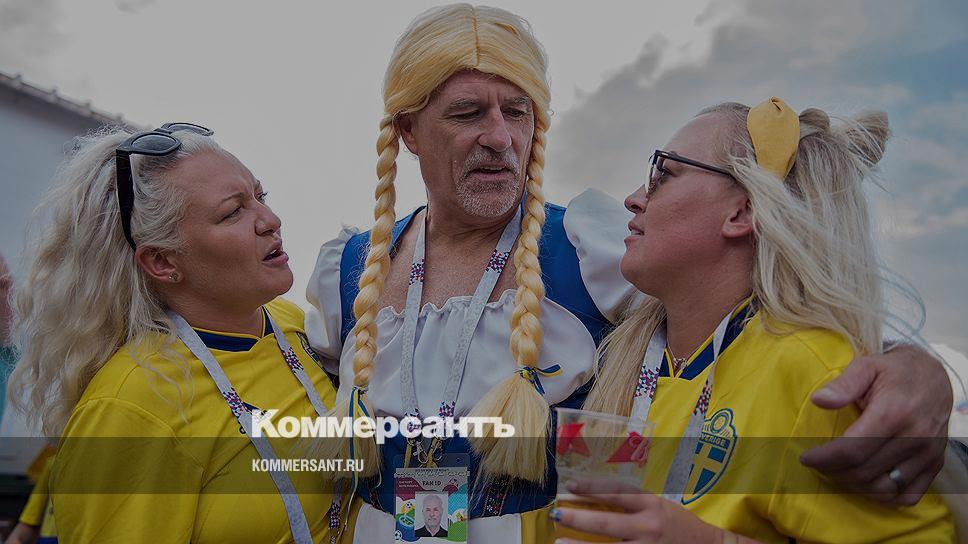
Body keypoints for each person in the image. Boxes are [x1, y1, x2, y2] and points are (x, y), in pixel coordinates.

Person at [306, 5, 953, 542]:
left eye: (519, 112)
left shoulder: (593, 248)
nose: (500, 137)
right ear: (409, 131)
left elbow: (748, 306)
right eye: (468, 112)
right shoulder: (348, 272)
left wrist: (910, 369)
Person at [552, 99, 955, 542]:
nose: (633, 199)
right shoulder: (625, 360)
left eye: (663, 174)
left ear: (742, 213)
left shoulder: (816, 375)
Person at [7, 124, 337, 543]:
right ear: (162, 262)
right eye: (233, 212)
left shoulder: (290, 323)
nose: (271, 221)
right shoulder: (132, 405)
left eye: (260, 196)